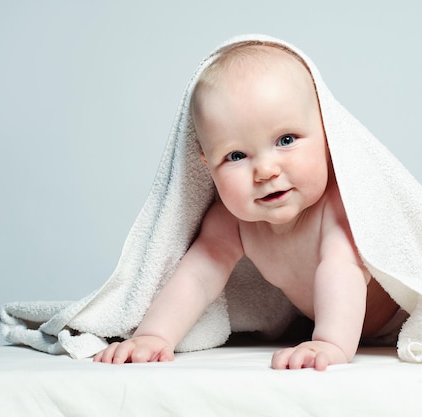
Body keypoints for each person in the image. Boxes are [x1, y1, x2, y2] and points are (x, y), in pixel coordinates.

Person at [93, 43, 401, 371]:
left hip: (393, 324)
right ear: (208, 166)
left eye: (286, 140)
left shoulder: (340, 206)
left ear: (327, 135)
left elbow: (341, 270)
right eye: (236, 156)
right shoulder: (232, 221)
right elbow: (197, 276)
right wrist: (155, 336)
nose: (266, 171)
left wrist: (328, 343)